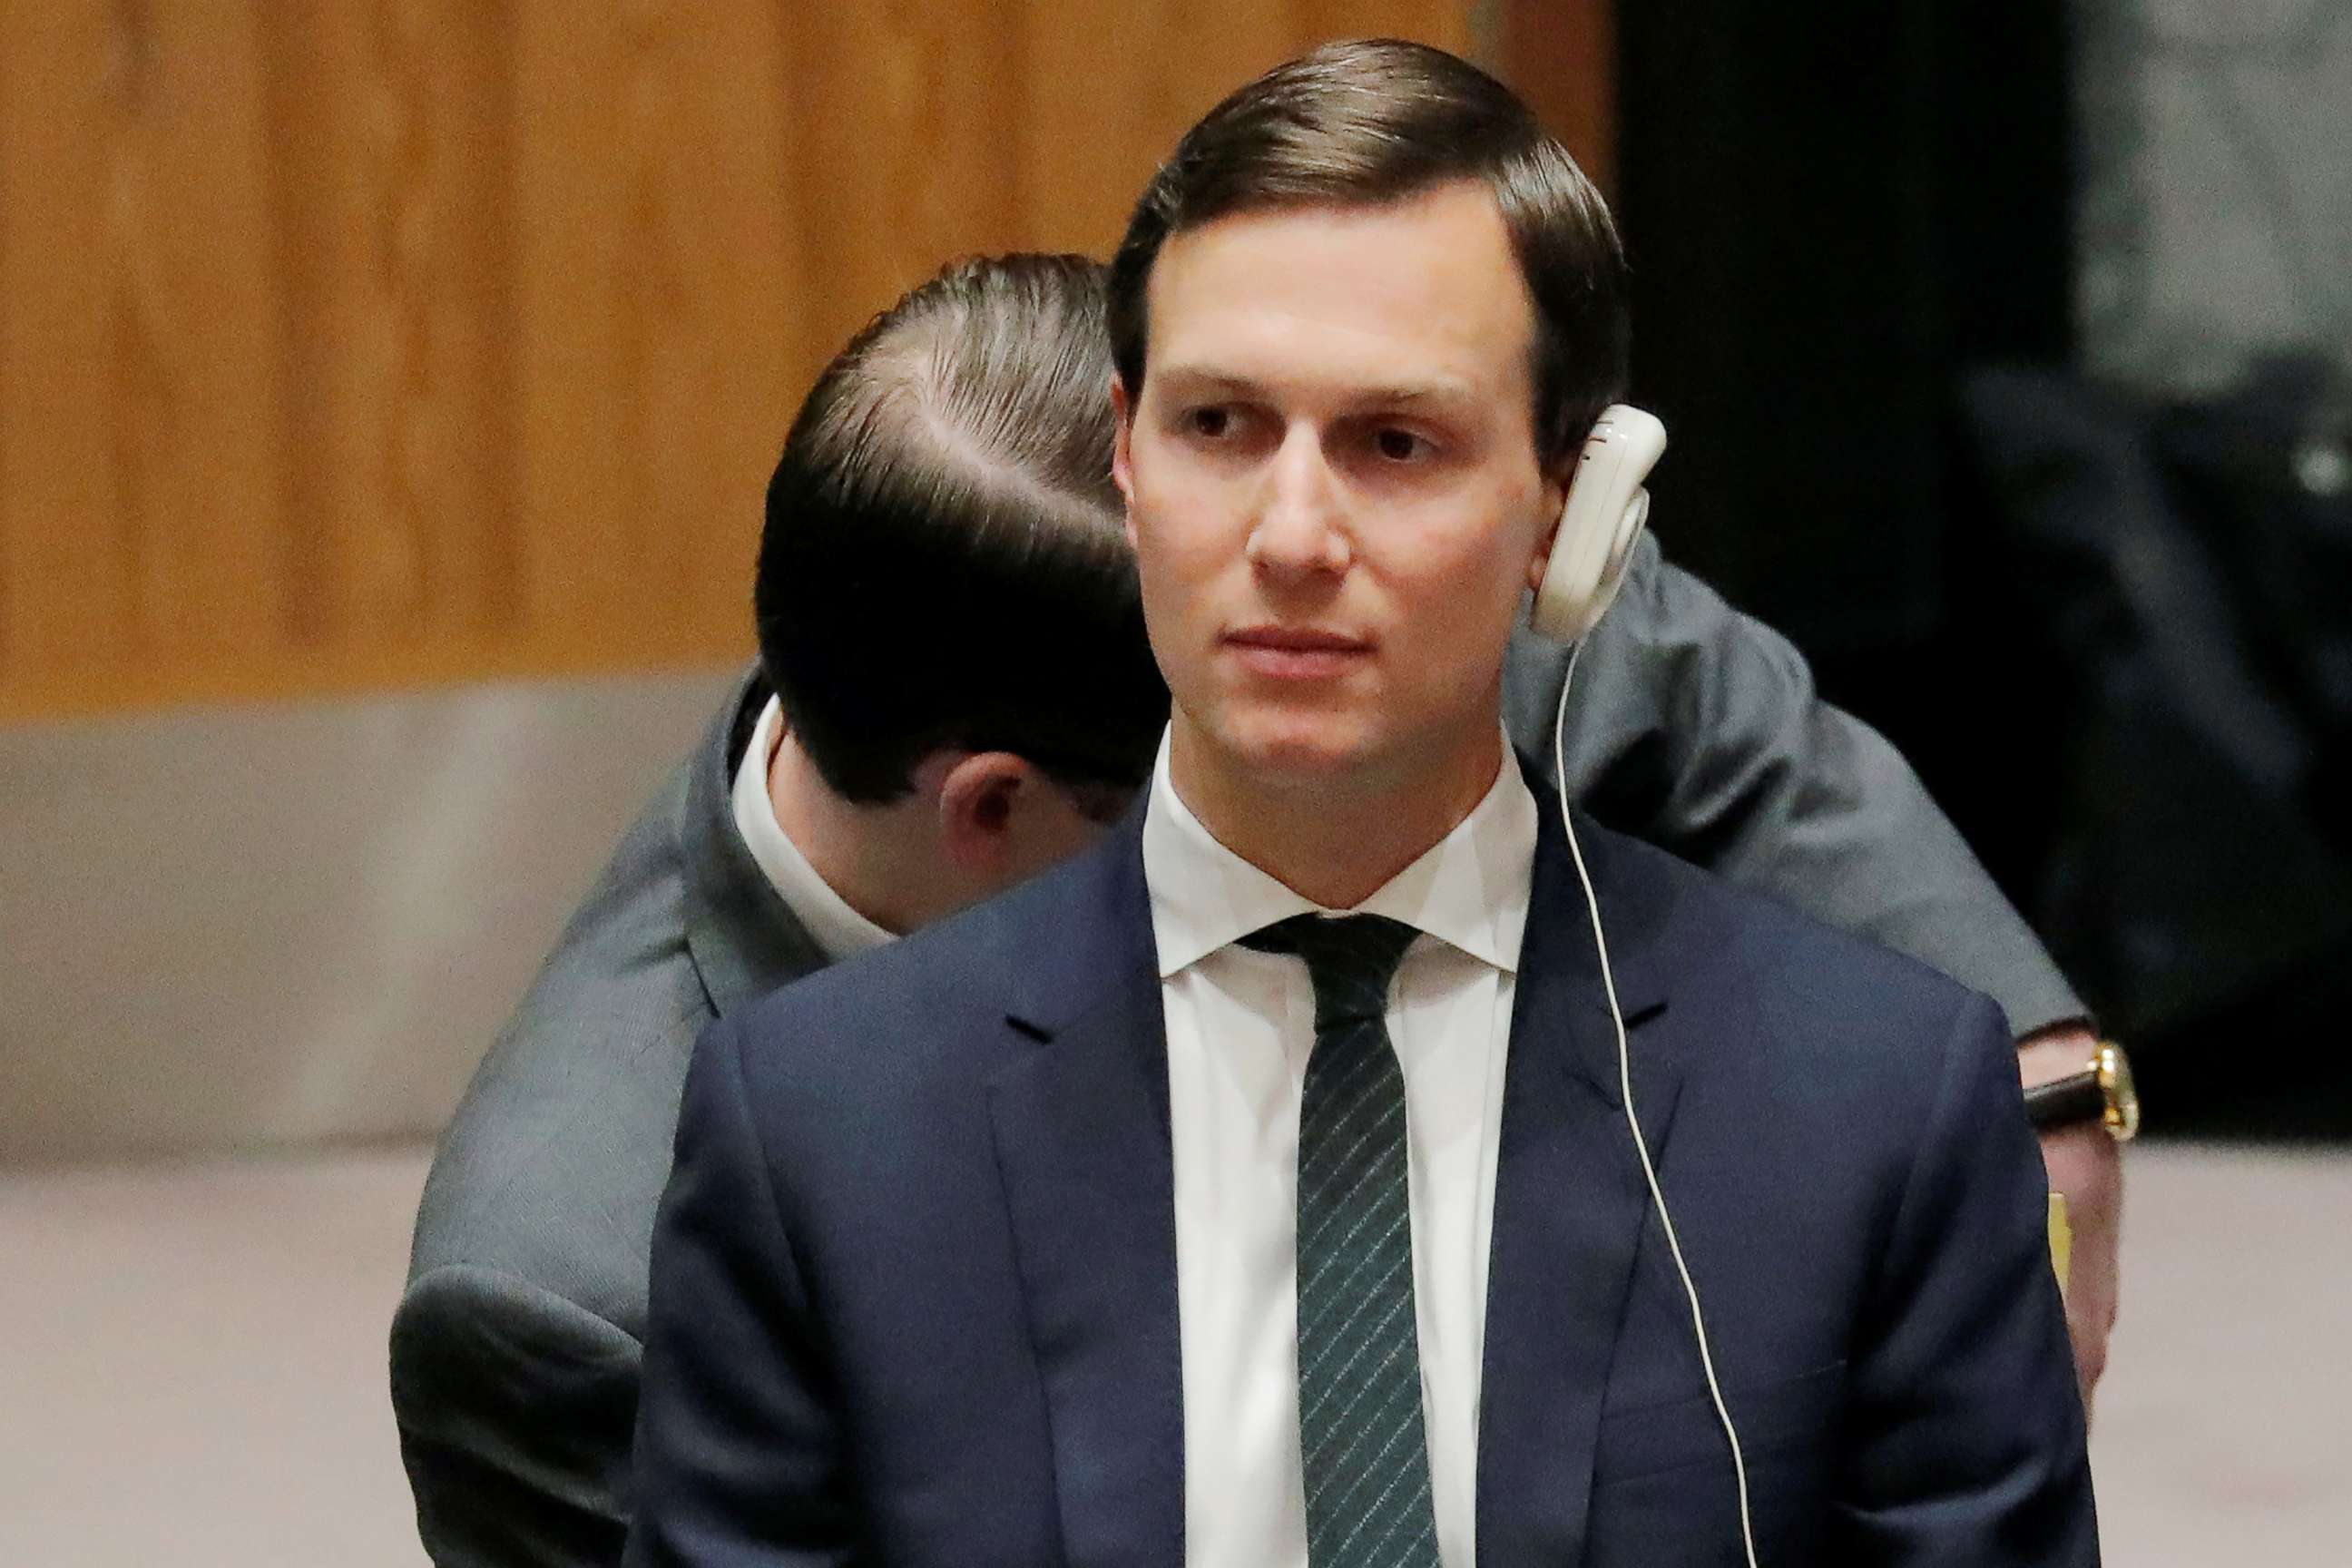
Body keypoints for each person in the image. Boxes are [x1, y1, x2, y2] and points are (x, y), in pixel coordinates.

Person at [622, 40, 2095, 1568]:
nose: (1294, 534)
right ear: (1124, 458)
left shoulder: (1882, 1105)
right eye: (1221, 428)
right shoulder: (818, 1127)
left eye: (1397, 444)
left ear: (1570, 516)